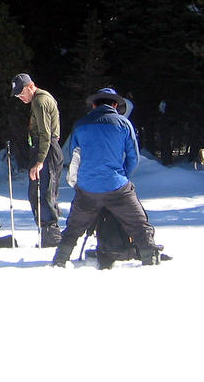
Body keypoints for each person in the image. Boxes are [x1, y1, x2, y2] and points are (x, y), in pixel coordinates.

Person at [51, 87, 159, 267]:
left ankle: (60, 260)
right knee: (140, 225)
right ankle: (150, 260)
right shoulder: (124, 124)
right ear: (115, 105)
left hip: (87, 188)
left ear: (94, 105)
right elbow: (133, 157)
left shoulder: (80, 125)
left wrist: (82, 180)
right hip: (117, 187)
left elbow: (74, 156)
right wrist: (122, 175)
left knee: (73, 228)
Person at [11, 73, 63, 247]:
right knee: (39, 192)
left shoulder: (40, 101)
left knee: (43, 193)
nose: (20, 97)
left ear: (30, 86)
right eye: (17, 95)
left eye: (21, 92)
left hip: (46, 150)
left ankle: (52, 238)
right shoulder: (39, 100)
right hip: (45, 149)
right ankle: (49, 235)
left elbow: (45, 134)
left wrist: (39, 161)